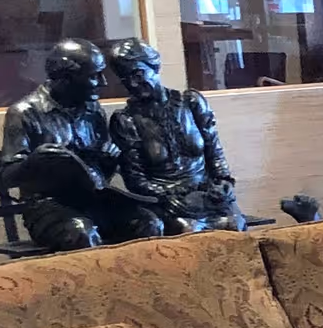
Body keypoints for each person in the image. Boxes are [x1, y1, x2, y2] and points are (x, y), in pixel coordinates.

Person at [0, 40, 168, 251]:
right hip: (48, 207)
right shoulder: (25, 113)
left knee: (149, 223)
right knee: (82, 233)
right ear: (66, 78)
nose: (103, 82)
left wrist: (109, 160)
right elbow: (7, 177)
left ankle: (137, 273)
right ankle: (94, 274)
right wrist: (34, 162)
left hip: (95, 201)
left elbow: (101, 175)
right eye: (94, 75)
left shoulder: (93, 110)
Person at [106, 37, 247, 233]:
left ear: (154, 66)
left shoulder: (191, 102)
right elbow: (135, 180)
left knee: (234, 224)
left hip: (208, 194)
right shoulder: (125, 120)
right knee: (188, 229)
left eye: (138, 74)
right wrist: (165, 196)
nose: (133, 84)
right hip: (166, 201)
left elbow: (214, 151)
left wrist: (224, 182)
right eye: (125, 79)